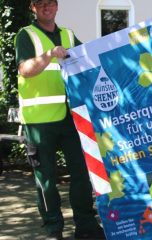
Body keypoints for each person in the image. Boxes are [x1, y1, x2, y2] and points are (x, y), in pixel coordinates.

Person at [14, 0, 105, 239]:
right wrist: (49, 55)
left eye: (51, 3)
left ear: (57, 6)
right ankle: (54, 229)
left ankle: (86, 226)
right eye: (41, 3)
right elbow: (25, 70)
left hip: (71, 118)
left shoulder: (68, 34)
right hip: (39, 122)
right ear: (32, 7)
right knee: (46, 180)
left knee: (81, 174)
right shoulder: (26, 36)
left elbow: (89, 57)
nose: (47, 7)